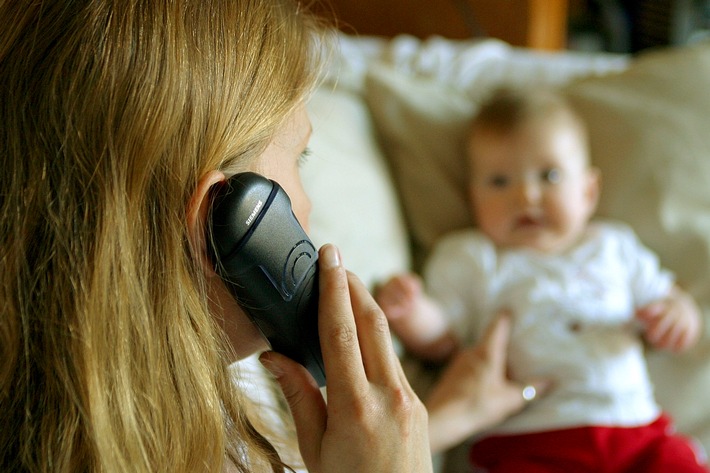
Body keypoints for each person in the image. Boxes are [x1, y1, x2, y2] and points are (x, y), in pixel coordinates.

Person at [0, 2, 536, 471]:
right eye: (299, 158)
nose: (309, 206)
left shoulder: (202, 380)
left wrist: (436, 423)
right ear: (221, 216)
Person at [375, 87, 707, 472]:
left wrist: (679, 317)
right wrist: (412, 311)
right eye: (499, 181)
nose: (526, 195)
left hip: (635, 431)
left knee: (679, 462)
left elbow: (669, 298)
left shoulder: (613, 246)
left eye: (549, 176)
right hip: (531, 441)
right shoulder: (473, 257)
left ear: (588, 191)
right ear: (473, 197)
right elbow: (442, 341)